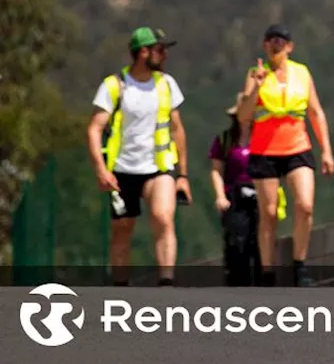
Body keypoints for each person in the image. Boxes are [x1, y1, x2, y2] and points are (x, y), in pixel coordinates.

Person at [85, 27, 192, 286]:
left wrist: (183, 175)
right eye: (160, 50)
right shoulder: (115, 86)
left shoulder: (166, 85)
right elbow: (94, 128)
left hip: (158, 168)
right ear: (143, 52)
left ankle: (166, 281)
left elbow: (177, 129)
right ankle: (121, 287)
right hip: (121, 171)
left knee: (163, 217)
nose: (165, 55)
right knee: (123, 229)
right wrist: (101, 170)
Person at [237, 23, 334, 287]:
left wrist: (326, 150)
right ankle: (267, 272)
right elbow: (244, 115)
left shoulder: (302, 73)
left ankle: (299, 264)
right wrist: (256, 88)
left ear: (290, 47)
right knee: (268, 212)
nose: (276, 45)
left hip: (297, 146)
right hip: (265, 150)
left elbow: (315, 112)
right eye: (271, 40)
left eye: (281, 41)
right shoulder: (255, 73)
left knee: (305, 204)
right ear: (264, 45)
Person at [210, 94, 288, 285]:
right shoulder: (225, 140)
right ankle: (237, 282)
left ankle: (264, 280)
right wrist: (220, 196)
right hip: (235, 195)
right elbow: (216, 170)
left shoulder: (265, 138)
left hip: (261, 191)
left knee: (261, 239)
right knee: (237, 242)